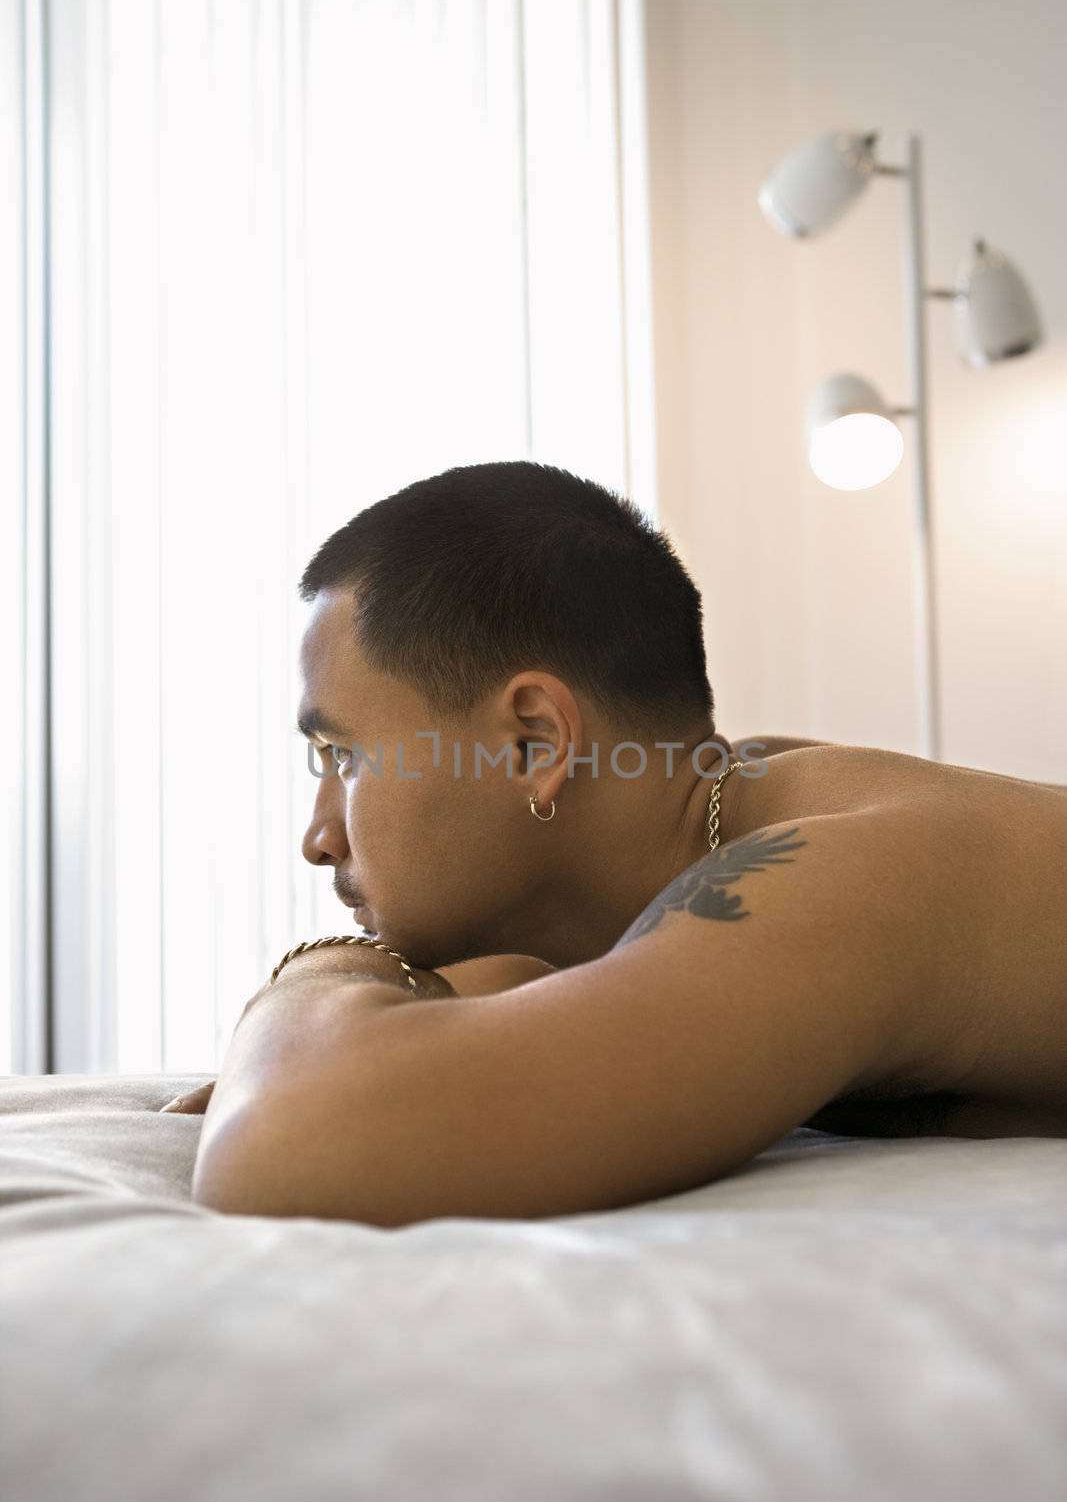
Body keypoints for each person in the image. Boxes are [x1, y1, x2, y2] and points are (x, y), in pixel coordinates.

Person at [175, 462, 1067, 1225]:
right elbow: (530, 995)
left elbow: (283, 1147)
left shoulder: (833, 874)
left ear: (534, 742)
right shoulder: (716, 819)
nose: (317, 837)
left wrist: (317, 974)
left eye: (344, 756)